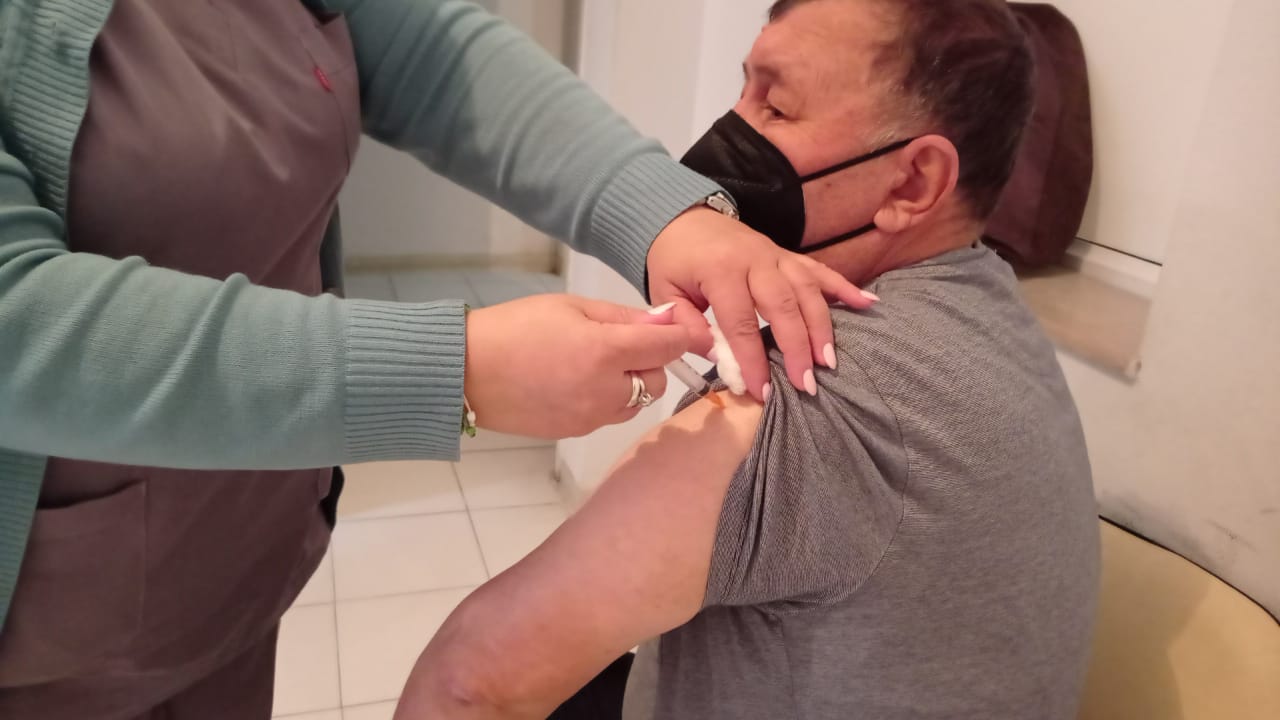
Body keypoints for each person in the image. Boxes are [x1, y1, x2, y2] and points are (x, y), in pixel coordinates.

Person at [0, 0, 878, 717]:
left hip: (237, 570)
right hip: (54, 633)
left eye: (778, 103)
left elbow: (431, 51)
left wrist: (664, 212)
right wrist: (457, 369)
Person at [393, 0, 1101, 718]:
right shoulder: (996, 316)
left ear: (912, 182)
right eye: (743, 89)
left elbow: (467, 685)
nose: (728, 134)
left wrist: (453, 372)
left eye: (777, 108)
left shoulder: (819, 390)